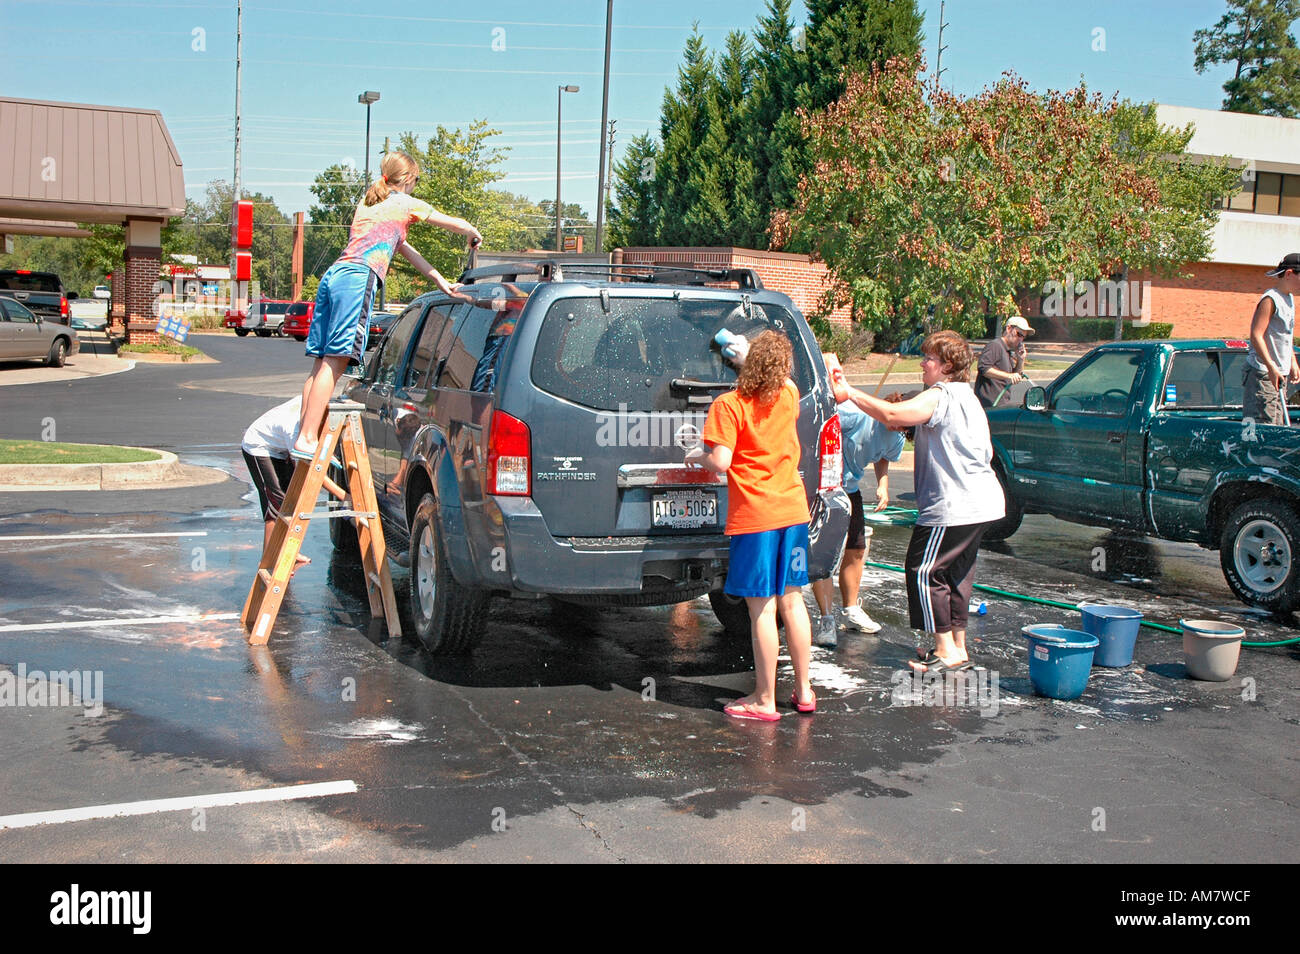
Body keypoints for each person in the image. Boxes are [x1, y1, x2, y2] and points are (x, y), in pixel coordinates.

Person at [832, 330, 1004, 673]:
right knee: (955, 575)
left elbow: (893, 416)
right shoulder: (968, 398)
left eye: (929, 359)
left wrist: (849, 392)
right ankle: (957, 648)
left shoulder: (940, 395)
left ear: (948, 366)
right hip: (984, 503)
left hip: (954, 506)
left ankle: (945, 651)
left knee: (924, 570)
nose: (923, 364)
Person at [292, 150, 481, 460]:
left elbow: (405, 249)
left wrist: (440, 280)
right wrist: (471, 231)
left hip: (335, 274)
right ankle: (308, 438)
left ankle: (302, 434)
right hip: (357, 277)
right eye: (416, 180)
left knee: (320, 363)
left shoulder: (370, 205)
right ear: (407, 179)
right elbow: (450, 223)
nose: (416, 186)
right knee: (337, 360)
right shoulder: (403, 203)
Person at [687, 331, 815, 720]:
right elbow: (785, 380)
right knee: (792, 601)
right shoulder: (789, 396)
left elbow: (722, 462)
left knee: (761, 608)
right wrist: (752, 359)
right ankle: (804, 691)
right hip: (793, 512)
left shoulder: (729, 405)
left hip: (756, 518)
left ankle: (763, 699)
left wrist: (698, 454)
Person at [809, 398, 905, 647]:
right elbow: (819, 426)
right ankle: (826, 618)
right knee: (825, 554)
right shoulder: (856, 415)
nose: (901, 427)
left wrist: (883, 484)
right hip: (826, 489)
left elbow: (883, 455)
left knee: (857, 549)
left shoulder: (898, 435)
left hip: (851, 490)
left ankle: (850, 610)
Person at [242, 397, 310, 576]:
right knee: (277, 506)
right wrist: (343, 496)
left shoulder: (312, 407)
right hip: (258, 447)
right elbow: (311, 467)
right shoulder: (294, 429)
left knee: (290, 502)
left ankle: (289, 552)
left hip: (278, 446)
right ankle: (269, 560)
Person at [1243, 252, 1300, 426]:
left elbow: (1285, 335)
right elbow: (1256, 335)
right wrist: (1270, 366)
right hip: (1262, 373)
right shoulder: (1270, 299)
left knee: (1278, 426)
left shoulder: (1289, 299)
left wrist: (1292, 362)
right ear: (1289, 274)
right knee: (1264, 427)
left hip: (1278, 374)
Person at [975, 315, 1033, 409]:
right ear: (1009, 328)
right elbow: (984, 368)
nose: (1021, 339)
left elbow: (1015, 376)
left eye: (1023, 337)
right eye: (1019, 334)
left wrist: (1021, 359)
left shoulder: (1008, 351)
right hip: (989, 405)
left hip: (1001, 404)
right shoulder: (995, 345)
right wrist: (1008, 376)